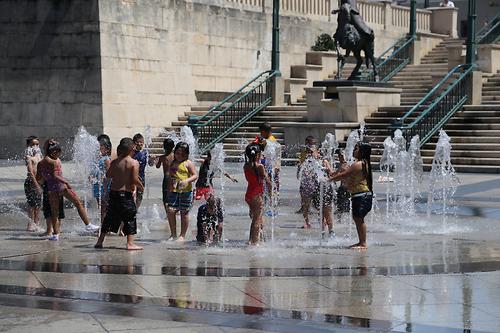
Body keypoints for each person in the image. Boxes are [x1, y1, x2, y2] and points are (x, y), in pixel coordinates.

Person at [40, 143, 99, 240]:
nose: (59, 156)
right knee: (78, 203)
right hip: (61, 187)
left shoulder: (41, 162)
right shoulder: (54, 161)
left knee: (55, 212)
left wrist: (46, 181)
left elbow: (40, 178)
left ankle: (56, 235)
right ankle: (88, 225)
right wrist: (66, 182)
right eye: (59, 153)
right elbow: (56, 175)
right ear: (54, 152)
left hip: (51, 188)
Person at [95, 138, 144, 250]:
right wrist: (141, 186)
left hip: (114, 193)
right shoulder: (133, 162)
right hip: (125, 194)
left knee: (109, 217)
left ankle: (100, 241)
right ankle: (130, 243)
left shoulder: (115, 162)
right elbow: (134, 179)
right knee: (130, 216)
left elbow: (108, 175)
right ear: (132, 149)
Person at [330, 142, 373, 249]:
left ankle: (363, 243)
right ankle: (361, 242)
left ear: (362, 151)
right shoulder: (362, 163)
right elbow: (346, 173)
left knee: (359, 219)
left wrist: (328, 180)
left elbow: (345, 175)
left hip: (362, 196)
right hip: (360, 195)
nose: (354, 150)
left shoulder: (358, 164)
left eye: (356, 148)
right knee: (357, 218)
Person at [166, 142, 198, 242]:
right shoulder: (172, 163)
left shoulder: (188, 163)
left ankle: (182, 235)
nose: (180, 156)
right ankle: (173, 234)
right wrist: (170, 186)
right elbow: (171, 176)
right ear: (174, 152)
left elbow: (195, 175)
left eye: (183, 154)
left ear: (187, 154)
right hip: (174, 191)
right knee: (171, 211)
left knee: (184, 212)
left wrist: (186, 181)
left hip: (186, 192)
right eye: (178, 153)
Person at [36, 139, 65, 237]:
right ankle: (57, 230)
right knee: (58, 209)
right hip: (59, 186)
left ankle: (49, 230)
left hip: (48, 187)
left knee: (48, 209)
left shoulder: (43, 162)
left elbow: (39, 179)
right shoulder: (57, 160)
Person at [244, 144, 271, 245]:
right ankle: (255, 243)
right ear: (257, 155)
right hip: (256, 195)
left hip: (249, 194)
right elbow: (267, 180)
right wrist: (272, 192)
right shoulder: (260, 166)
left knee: (255, 218)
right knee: (257, 218)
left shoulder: (246, 166)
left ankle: (251, 240)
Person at [24, 136, 43, 232]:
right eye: (33, 144)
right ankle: (30, 224)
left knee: (38, 205)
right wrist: (36, 185)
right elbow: (31, 172)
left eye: (37, 144)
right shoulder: (28, 157)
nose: (35, 146)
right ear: (28, 145)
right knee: (31, 205)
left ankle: (37, 223)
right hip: (31, 183)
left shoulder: (39, 156)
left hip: (39, 183)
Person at [91, 138, 112, 222]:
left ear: (106, 150)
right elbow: (93, 171)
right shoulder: (97, 159)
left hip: (104, 187)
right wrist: (91, 177)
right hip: (97, 186)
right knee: (100, 207)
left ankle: (104, 226)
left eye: (100, 148)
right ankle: (103, 225)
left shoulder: (106, 159)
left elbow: (109, 175)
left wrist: (106, 189)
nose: (98, 150)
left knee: (104, 207)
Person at [296, 136, 317, 214]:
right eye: (312, 144)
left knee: (311, 191)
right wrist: (298, 172)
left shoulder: (315, 152)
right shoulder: (303, 153)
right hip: (304, 175)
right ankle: (303, 207)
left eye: (314, 144)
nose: (313, 146)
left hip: (312, 176)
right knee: (302, 191)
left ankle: (309, 207)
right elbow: (300, 163)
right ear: (306, 143)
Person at [132, 133, 153, 209]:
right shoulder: (132, 153)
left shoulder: (145, 153)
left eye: (141, 142)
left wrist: (152, 160)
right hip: (132, 178)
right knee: (132, 194)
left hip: (141, 177)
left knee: (140, 195)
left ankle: (136, 209)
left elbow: (151, 164)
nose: (140, 143)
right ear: (134, 143)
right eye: (138, 142)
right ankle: (132, 209)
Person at [156, 138, 175, 216]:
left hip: (166, 178)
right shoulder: (175, 156)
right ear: (173, 146)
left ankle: (168, 214)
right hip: (175, 177)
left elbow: (157, 166)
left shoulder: (162, 157)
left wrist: (156, 160)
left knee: (165, 198)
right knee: (174, 194)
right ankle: (173, 212)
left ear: (164, 147)